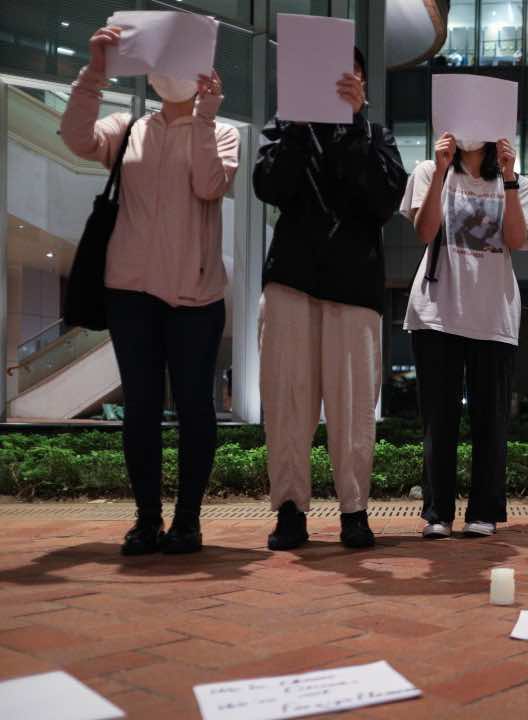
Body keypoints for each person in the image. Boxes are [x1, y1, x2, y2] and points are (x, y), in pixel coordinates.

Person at [60, 26, 239, 556]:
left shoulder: (221, 131)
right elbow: (74, 139)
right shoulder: (129, 126)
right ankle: (145, 520)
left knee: (193, 408)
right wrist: (95, 71)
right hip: (131, 292)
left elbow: (210, 185)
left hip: (196, 297)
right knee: (139, 409)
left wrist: (206, 117)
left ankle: (187, 521)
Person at [254, 47, 408, 551]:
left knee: (354, 405)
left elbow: (383, 200)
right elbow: (269, 185)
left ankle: (354, 510)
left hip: (355, 284)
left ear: (363, 84)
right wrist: (299, 128)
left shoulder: (376, 136)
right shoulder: (284, 126)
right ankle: (291, 510)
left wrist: (356, 124)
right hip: (291, 280)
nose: (342, 83)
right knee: (288, 401)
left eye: (353, 76)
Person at [400, 128, 528, 540]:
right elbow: (424, 233)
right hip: (437, 312)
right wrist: (441, 171)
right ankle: (437, 512)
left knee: (490, 420)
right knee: (438, 420)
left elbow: (515, 239)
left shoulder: (518, 181)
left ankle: (484, 511)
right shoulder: (429, 170)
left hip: (493, 314)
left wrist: (509, 178)